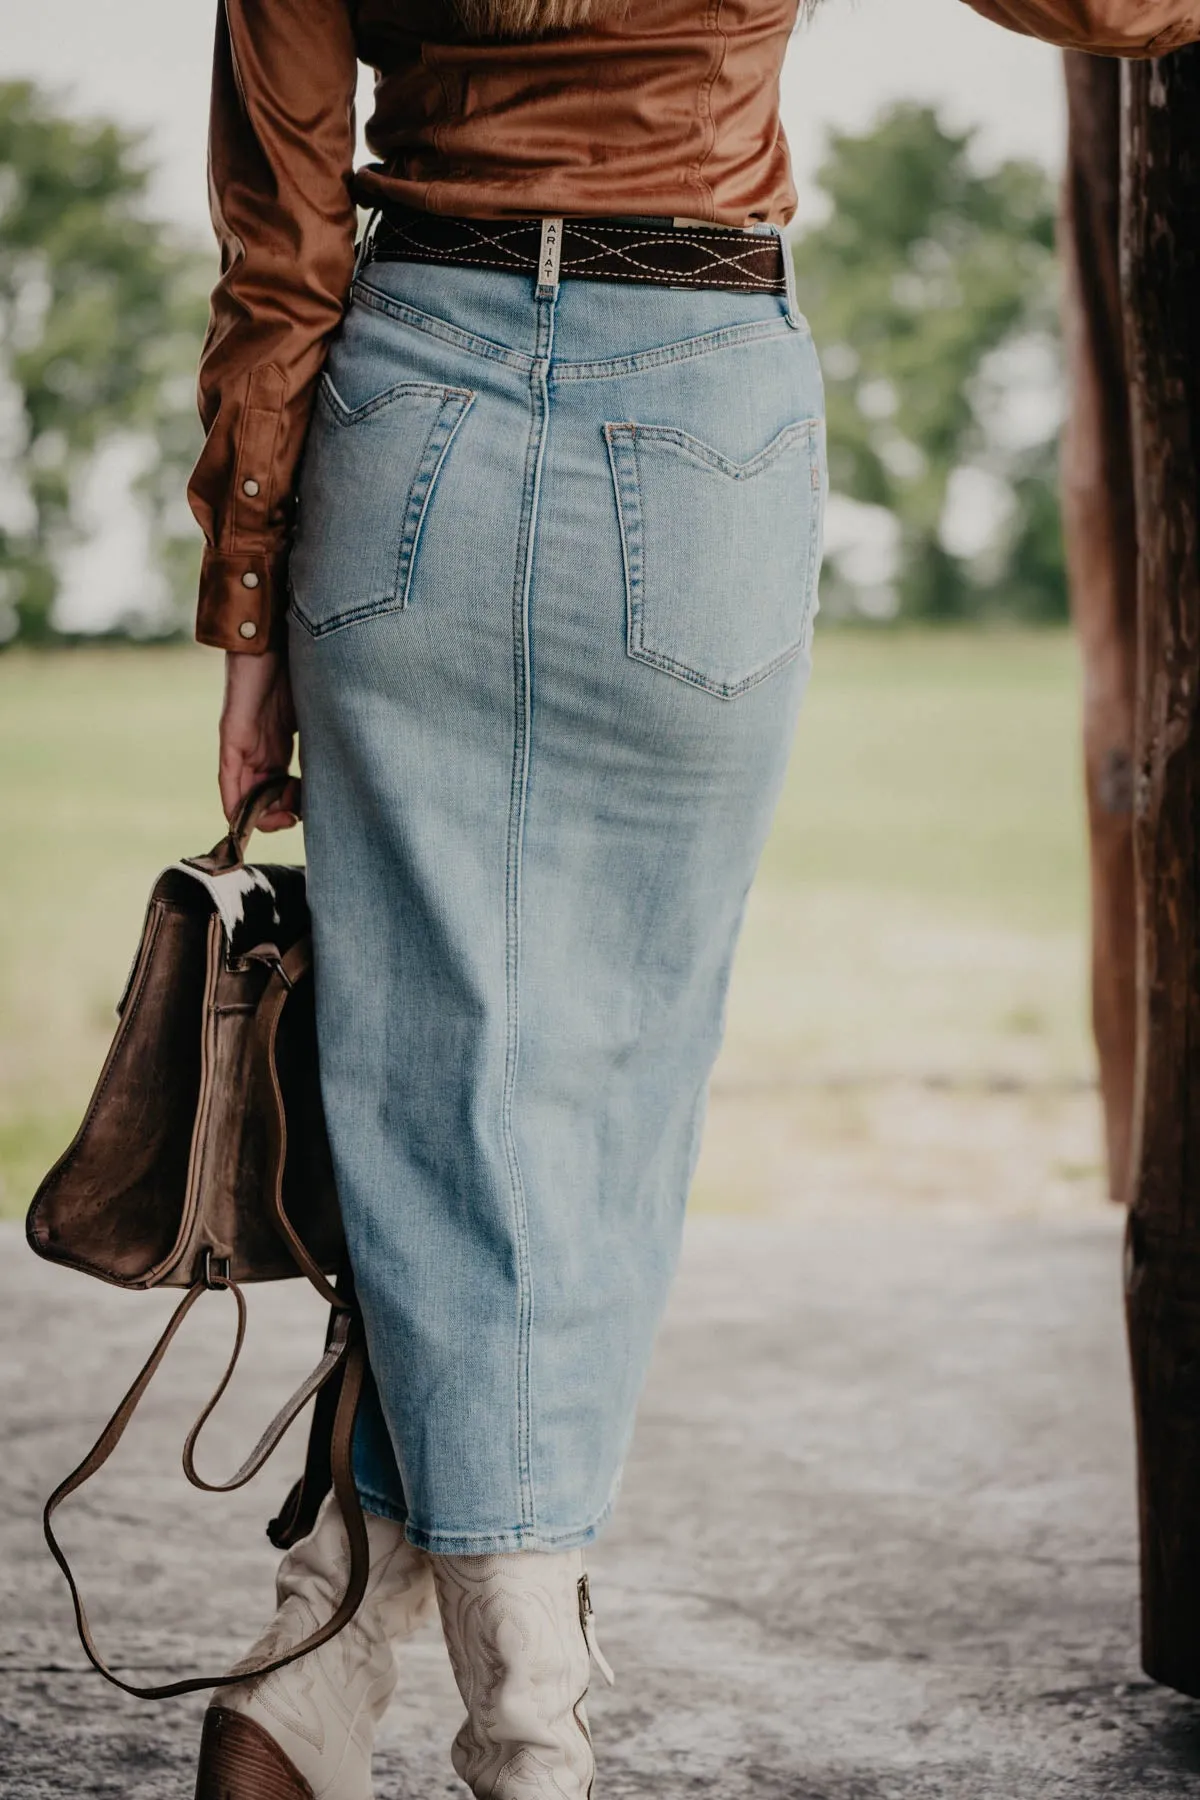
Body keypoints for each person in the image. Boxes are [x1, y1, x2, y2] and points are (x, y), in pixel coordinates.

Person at [190, 2, 1200, 1795]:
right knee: (597, 1110)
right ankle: (529, 1732)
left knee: (429, 1102)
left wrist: (251, 592)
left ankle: (323, 1661)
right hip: (700, 411)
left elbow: (280, 222)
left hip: (403, 403)